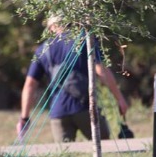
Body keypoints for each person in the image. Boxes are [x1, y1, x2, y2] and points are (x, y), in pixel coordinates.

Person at [17, 15, 128, 143]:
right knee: (103, 146)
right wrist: (119, 99)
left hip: (58, 112)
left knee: (65, 153)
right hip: (86, 107)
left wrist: (24, 117)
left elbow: (30, 85)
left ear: (51, 27)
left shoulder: (43, 50)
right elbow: (101, 71)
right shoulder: (85, 40)